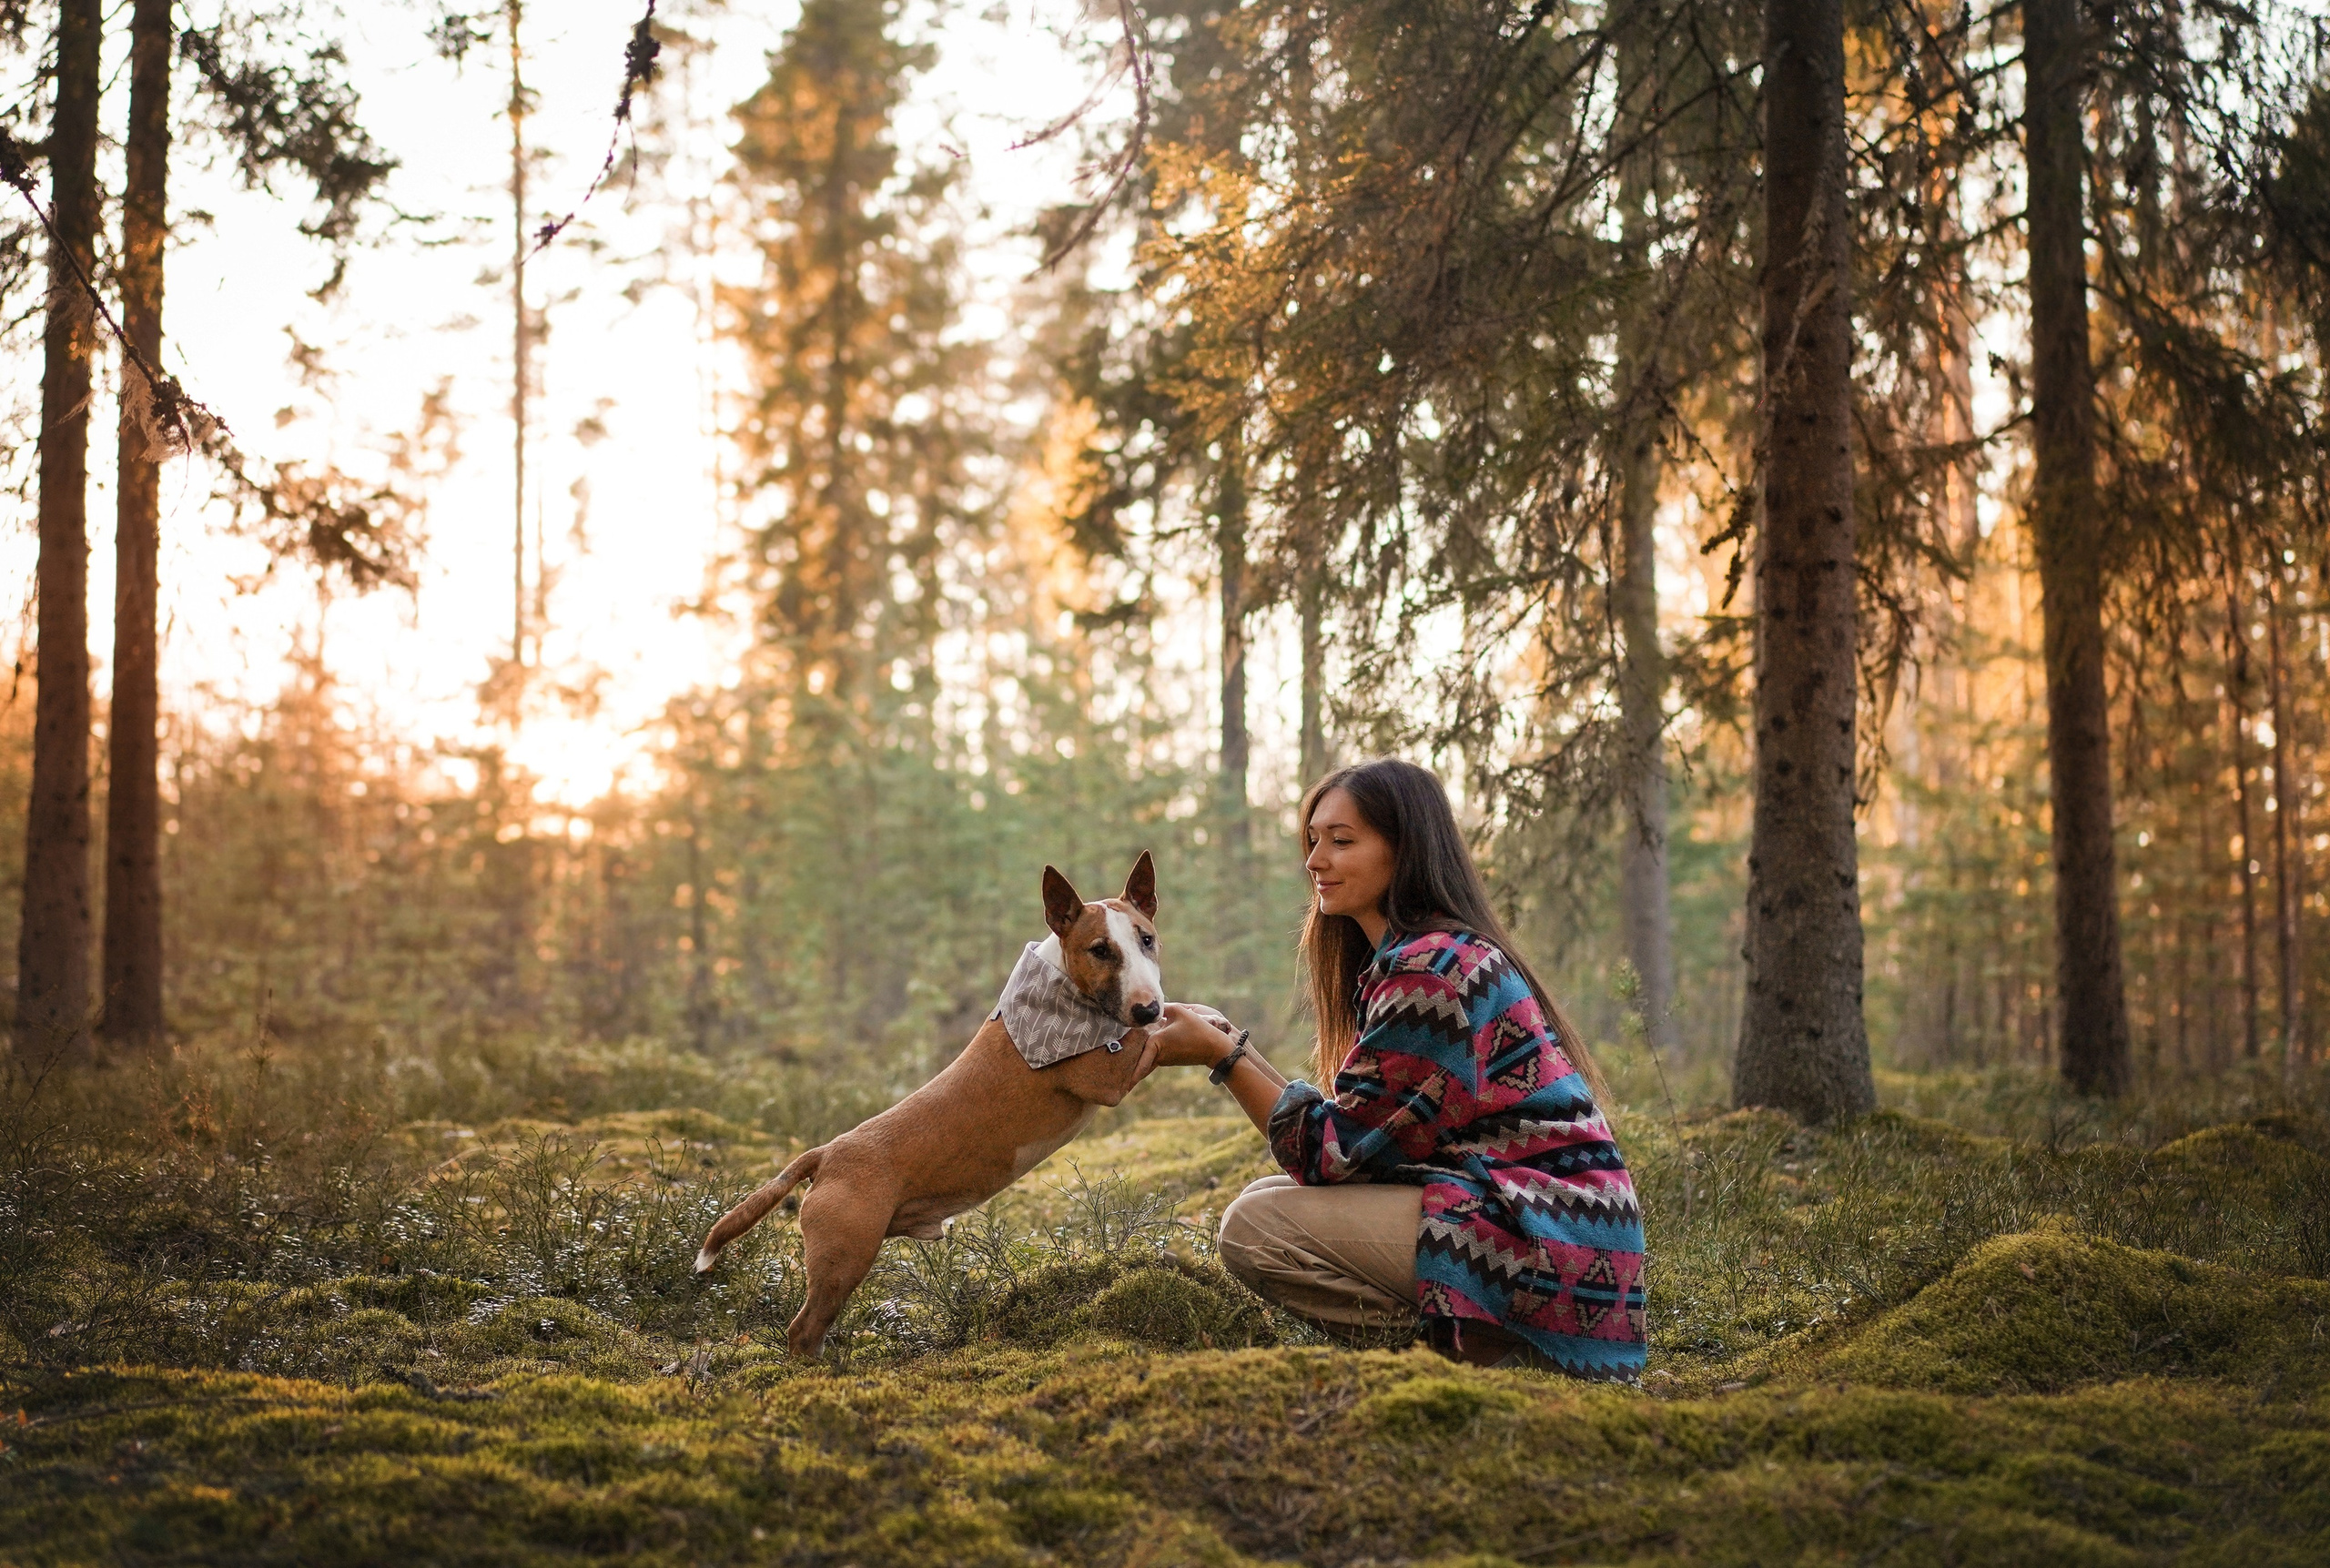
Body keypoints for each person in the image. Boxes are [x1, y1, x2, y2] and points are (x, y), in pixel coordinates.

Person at [1143, 758, 1647, 1381]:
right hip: (1554, 1229)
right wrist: (1231, 1043)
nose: (1315, 859)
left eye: (1343, 840)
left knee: (1254, 1227)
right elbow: (1359, 1137)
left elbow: (1329, 1154)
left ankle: (1484, 1361)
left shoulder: (1427, 972)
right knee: (1267, 1197)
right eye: (1313, 839)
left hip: (1548, 1242)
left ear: (1404, 849)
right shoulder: (1430, 953)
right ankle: (1472, 1350)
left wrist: (1223, 1058)